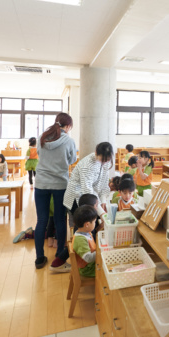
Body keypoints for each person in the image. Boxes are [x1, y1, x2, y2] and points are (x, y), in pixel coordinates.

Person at [34, 113, 77, 272]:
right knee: (60, 219)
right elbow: (72, 160)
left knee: (41, 221)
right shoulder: (69, 141)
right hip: (60, 183)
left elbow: (40, 155)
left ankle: (39, 258)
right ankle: (59, 255)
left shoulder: (42, 137)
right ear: (68, 126)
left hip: (41, 183)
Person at [61, 142, 114, 268]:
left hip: (90, 199)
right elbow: (87, 190)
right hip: (77, 197)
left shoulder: (105, 163)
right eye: (102, 159)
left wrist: (104, 202)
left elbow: (103, 186)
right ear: (96, 153)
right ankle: (66, 261)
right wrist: (101, 211)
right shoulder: (87, 164)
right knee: (81, 230)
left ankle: (88, 258)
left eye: (107, 160)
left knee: (90, 229)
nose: (104, 163)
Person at [72, 205, 99, 278]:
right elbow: (89, 258)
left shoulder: (86, 231)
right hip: (88, 269)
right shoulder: (80, 240)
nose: (95, 223)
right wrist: (100, 251)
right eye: (94, 222)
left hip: (91, 265)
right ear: (87, 224)